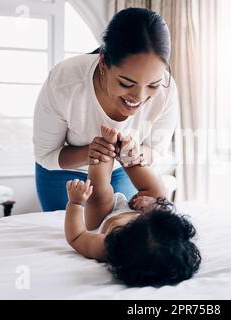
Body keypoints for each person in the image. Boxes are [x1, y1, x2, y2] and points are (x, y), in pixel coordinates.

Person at [34, 8, 179, 211]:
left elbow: (154, 149)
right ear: (103, 61)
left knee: (116, 233)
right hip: (62, 172)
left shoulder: (167, 89)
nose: (138, 98)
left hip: (122, 171)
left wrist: (137, 155)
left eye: (153, 85)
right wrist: (88, 153)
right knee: (68, 235)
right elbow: (46, 155)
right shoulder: (64, 82)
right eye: (126, 83)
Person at [65, 125, 201, 287]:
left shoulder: (107, 247)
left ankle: (105, 149)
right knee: (159, 192)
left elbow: (77, 237)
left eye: (137, 222)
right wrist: (155, 205)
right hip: (136, 207)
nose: (140, 218)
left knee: (99, 192)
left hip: (104, 216)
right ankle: (129, 157)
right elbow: (165, 212)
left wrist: (75, 203)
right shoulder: (165, 237)